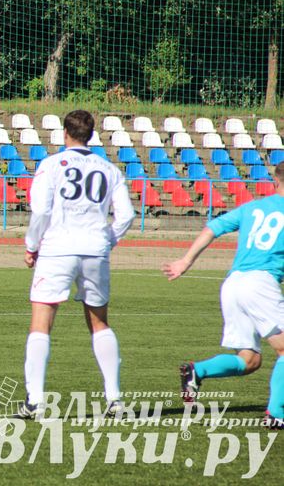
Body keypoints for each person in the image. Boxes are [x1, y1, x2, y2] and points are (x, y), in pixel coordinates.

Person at [19, 110, 135, 417]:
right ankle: (114, 399)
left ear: (64, 134)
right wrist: (107, 239)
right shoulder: (108, 168)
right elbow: (126, 215)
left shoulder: (51, 165)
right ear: (92, 135)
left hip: (58, 249)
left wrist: (32, 246)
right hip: (95, 249)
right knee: (99, 323)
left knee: (41, 323)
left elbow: (41, 211)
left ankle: (35, 401)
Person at [163, 161, 284, 429]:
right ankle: (276, 414)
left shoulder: (252, 207)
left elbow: (213, 228)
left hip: (233, 284)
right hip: (260, 283)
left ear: (275, 181)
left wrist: (186, 260)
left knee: (249, 360)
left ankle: (198, 371)